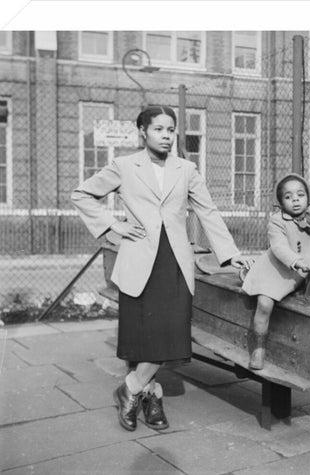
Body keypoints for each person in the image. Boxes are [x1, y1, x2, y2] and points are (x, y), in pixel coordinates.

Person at [71, 105, 252, 432]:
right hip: (138, 260)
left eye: (171, 130)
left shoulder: (186, 168)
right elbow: (82, 195)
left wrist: (229, 254)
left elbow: (207, 211)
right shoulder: (124, 166)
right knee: (143, 337)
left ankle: (129, 389)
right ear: (143, 131)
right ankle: (152, 396)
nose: (167, 136)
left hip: (175, 263)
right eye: (159, 129)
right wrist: (114, 227)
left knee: (171, 333)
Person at [241, 173, 310, 370]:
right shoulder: (276, 221)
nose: (295, 200)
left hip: (301, 275)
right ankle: (258, 347)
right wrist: (300, 263)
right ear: (281, 202)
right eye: (288, 197)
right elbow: (280, 248)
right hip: (275, 271)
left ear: (308, 198)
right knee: (265, 304)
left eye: (300, 195)